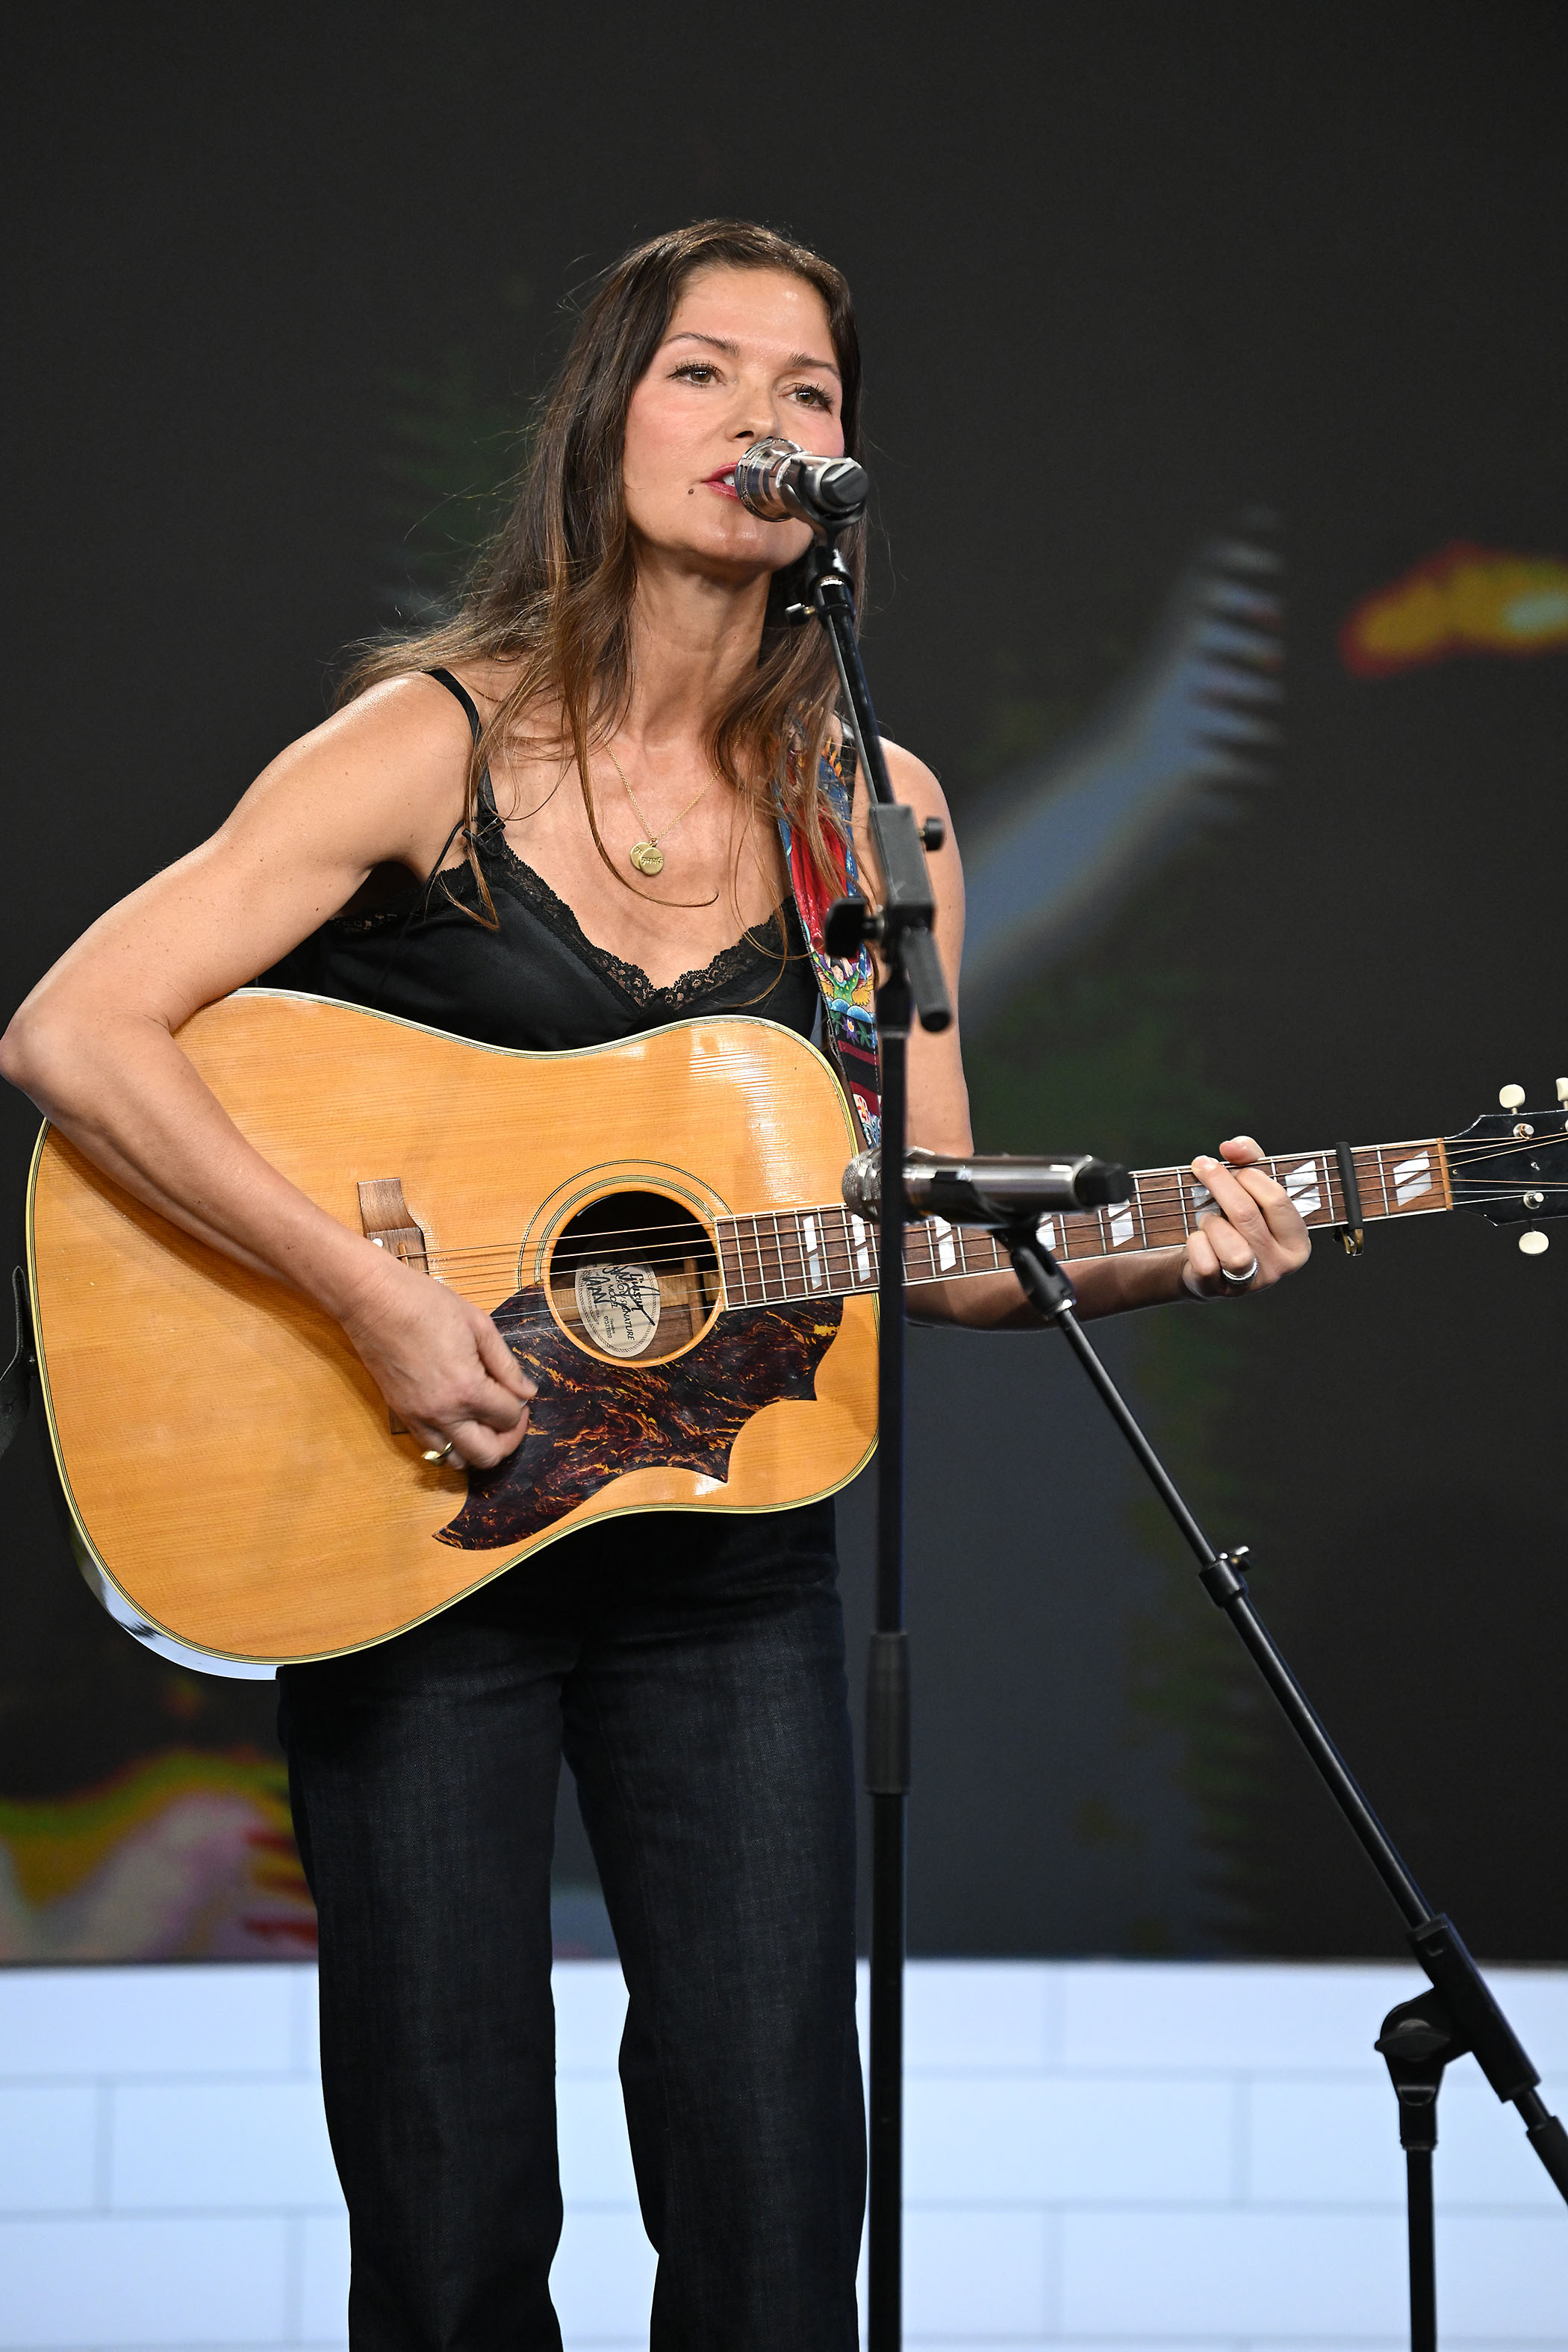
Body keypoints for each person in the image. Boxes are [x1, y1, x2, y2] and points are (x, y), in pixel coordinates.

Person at [0, 220, 1311, 2350]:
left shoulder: (870, 817)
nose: (762, 422)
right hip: (416, 1538)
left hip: (721, 1567)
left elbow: (927, 1231)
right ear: (606, 421)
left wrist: (1178, 1242)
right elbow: (75, 1031)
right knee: (447, 2192)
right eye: (705, 373)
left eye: (807, 392)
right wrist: (373, 1298)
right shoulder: (424, 746)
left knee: (778, 2176)